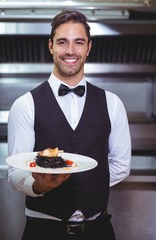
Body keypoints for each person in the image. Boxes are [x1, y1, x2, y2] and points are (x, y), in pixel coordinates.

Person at [7, 10, 131, 240]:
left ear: (89, 47)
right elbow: (16, 172)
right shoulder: (24, 105)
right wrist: (39, 187)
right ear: (51, 46)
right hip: (43, 231)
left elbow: (121, 165)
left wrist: (88, 184)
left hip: (98, 230)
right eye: (62, 42)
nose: (71, 51)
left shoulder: (113, 103)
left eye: (79, 42)